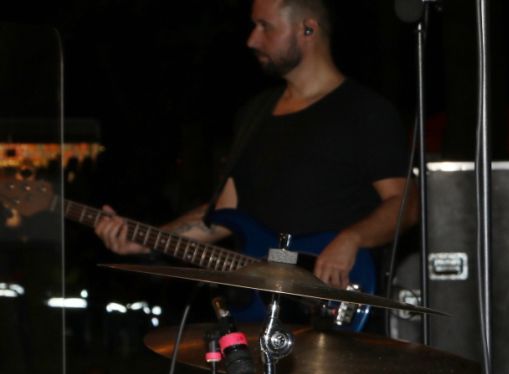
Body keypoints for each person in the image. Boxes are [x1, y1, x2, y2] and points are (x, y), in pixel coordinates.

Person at [94, 0, 409, 293]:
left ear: (307, 29)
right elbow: (223, 214)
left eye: (265, 26)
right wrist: (148, 241)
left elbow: (406, 204)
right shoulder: (254, 114)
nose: (252, 40)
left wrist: (352, 239)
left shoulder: (364, 111)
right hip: (262, 307)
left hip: (334, 301)